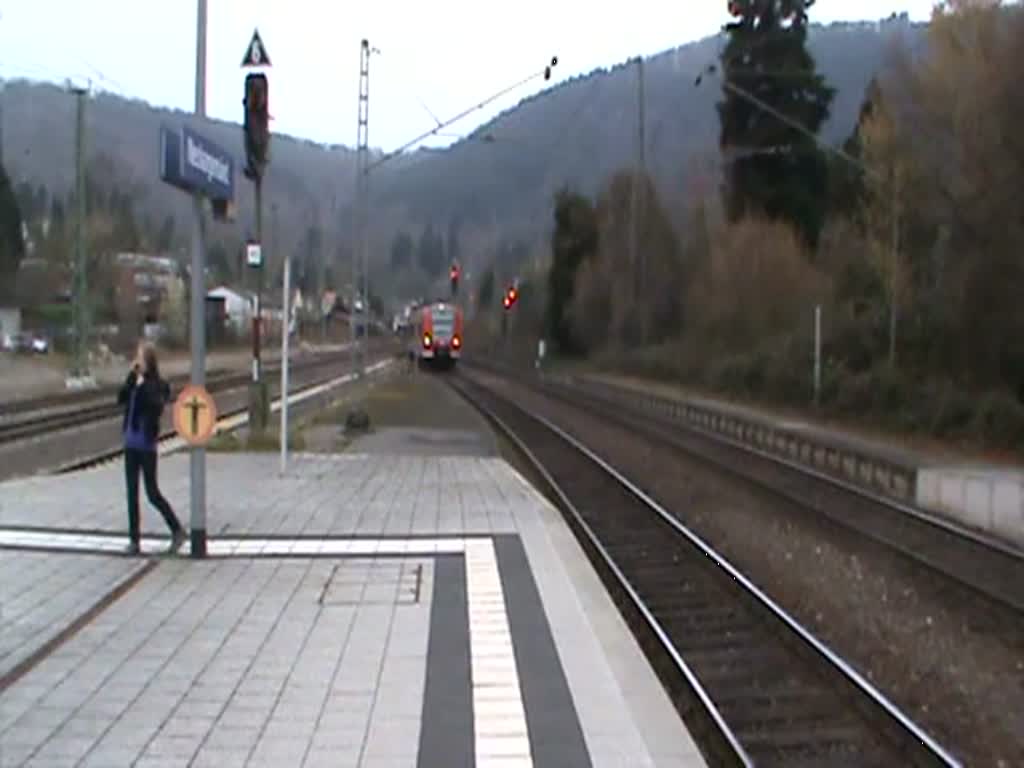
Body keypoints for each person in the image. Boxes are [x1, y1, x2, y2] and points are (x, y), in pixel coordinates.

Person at [117, 342, 185, 555]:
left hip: (146, 444)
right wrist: (130, 380)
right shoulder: (134, 382)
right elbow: (120, 399)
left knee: (151, 491)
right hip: (130, 443)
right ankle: (134, 539)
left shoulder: (157, 385)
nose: (138, 363)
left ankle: (176, 528)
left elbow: (155, 406)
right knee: (131, 492)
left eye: (141, 359)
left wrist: (142, 384)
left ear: (150, 362)